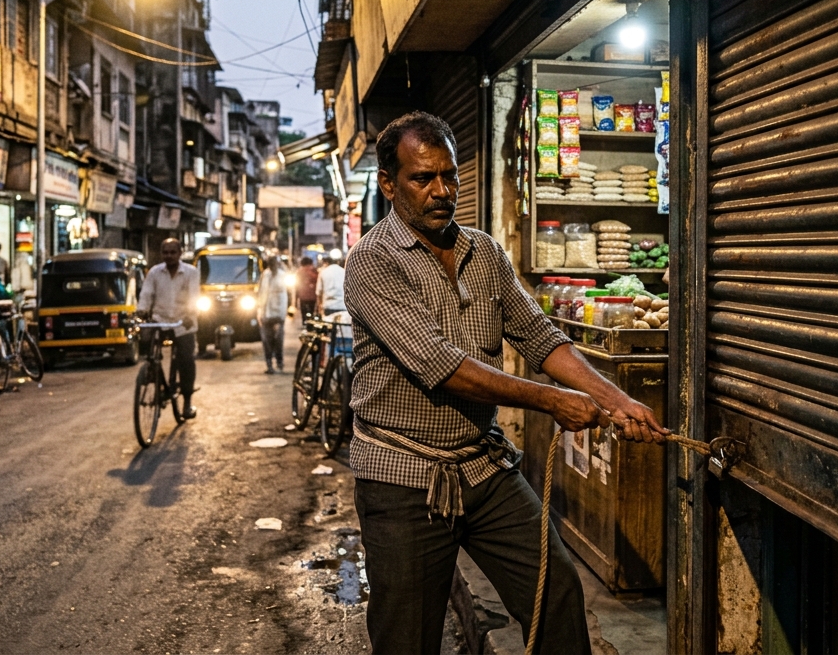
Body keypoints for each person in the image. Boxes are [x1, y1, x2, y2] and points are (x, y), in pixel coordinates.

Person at [344, 112, 667, 654]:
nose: (442, 191)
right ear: (389, 183)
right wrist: (553, 401)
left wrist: (617, 400)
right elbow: (442, 365)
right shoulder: (371, 261)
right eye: (423, 178)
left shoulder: (484, 252)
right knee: (407, 637)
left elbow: (541, 338)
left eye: (450, 176)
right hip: (403, 477)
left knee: (555, 590)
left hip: (483, 465)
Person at [137, 238, 199, 418]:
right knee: (150, 349)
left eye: (173, 252)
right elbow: (146, 294)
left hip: (183, 323)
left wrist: (191, 313)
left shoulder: (190, 272)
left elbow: (194, 295)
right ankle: (153, 375)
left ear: (180, 253)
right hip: (160, 320)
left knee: (186, 359)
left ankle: (187, 401)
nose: (169, 256)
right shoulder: (154, 273)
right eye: (166, 252)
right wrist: (141, 312)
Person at [257, 255, 289, 374]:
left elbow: (286, 295)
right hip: (266, 313)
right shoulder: (265, 275)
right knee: (266, 341)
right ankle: (269, 364)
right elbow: (261, 293)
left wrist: (284, 314)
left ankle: (280, 362)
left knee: (278, 340)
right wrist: (259, 311)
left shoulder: (282, 275)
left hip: (278, 314)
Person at [316, 252, 345, 317]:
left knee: (329, 325)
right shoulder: (343, 271)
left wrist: (319, 308)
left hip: (328, 306)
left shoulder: (323, 272)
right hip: (343, 306)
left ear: (326, 263)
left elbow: (319, 292)